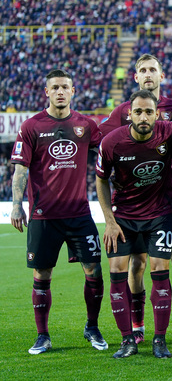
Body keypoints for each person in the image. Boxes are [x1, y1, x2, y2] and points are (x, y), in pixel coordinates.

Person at [10, 69, 107, 355]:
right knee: (42, 274)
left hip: (79, 213)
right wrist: (17, 204)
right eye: (56, 87)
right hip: (43, 215)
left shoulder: (86, 125)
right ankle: (43, 335)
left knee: (94, 270)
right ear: (47, 92)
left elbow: (108, 153)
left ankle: (92, 326)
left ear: (73, 91)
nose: (61, 91)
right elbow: (20, 168)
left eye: (66, 86)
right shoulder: (31, 126)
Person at [100, 54, 172, 347]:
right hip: (132, 202)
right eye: (143, 70)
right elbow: (103, 146)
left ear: (161, 76)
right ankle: (137, 326)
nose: (148, 74)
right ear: (136, 76)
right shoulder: (120, 113)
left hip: (170, 196)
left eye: (153, 69)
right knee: (136, 264)